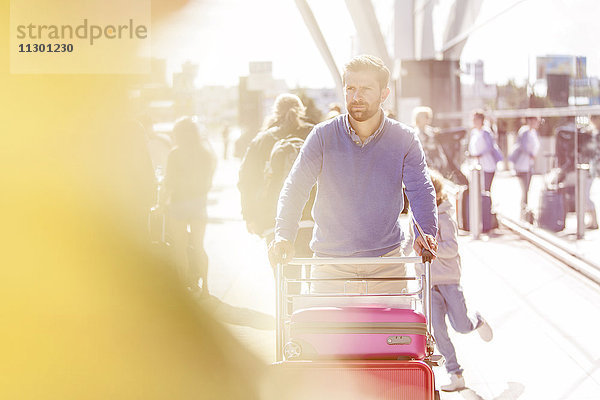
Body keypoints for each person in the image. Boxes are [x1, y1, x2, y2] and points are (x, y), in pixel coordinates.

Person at [268, 55, 438, 294]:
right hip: (331, 266)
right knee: (327, 333)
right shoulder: (322, 136)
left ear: (384, 94)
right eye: (350, 88)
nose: (356, 97)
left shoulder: (404, 139)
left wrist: (426, 232)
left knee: (393, 331)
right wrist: (284, 235)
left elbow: (420, 189)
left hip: (386, 266)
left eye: (366, 89)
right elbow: (296, 187)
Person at [403, 172, 493, 392]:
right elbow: (408, 243)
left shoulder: (444, 217)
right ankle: (456, 373)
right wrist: (398, 254)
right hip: (428, 281)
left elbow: (452, 248)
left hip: (449, 280)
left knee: (461, 326)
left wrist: (429, 249)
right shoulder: (414, 218)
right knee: (439, 331)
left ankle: (477, 321)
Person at [163, 117, 217, 295]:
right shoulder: (204, 154)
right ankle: (206, 288)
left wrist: (161, 203)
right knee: (199, 246)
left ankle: (185, 288)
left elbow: (168, 182)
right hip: (198, 205)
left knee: (180, 248)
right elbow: (209, 183)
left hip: (178, 204)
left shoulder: (175, 153)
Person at [510, 116, 541, 219]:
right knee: (525, 189)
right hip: (522, 165)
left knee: (527, 189)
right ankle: (523, 212)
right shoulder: (525, 132)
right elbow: (523, 146)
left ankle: (524, 211)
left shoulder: (533, 133)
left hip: (529, 165)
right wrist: (531, 153)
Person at [468, 110, 503, 192]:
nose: (474, 121)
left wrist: (480, 154)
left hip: (487, 164)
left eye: (476, 119)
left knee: (486, 189)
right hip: (477, 165)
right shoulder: (473, 132)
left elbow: (489, 146)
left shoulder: (486, 132)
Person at [412, 106, 449, 176]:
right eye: (425, 117)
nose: (428, 119)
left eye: (428, 117)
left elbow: (438, 148)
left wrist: (442, 160)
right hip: (421, 163)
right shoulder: (414, 133)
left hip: (435, 163)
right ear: (419, 118)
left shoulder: (432, 132)